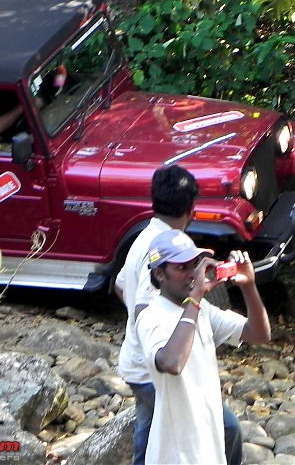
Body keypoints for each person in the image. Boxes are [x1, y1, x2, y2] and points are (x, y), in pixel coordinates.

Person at [114, 165, 243, 465]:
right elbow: (149, 305)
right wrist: (158, 327)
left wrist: (141, 327)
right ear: (192, 210)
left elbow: (121, 286)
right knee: (226, 429)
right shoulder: (163, 254)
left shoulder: (145, 238)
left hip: (139, 361)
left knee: (150, 440)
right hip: (152, 366)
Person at [136, 228, 271, 465]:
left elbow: (259, 334)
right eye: (181, 268)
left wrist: (249, 286)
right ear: (159, 274)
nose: (192, 274)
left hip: (209, 446)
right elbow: (172, 362)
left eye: (194, 264)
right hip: (176, 454)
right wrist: (196, 298)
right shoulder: (151, 317)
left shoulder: (203, 310)